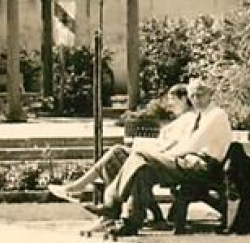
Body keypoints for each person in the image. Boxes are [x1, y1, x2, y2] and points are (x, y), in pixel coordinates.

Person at [87, 78, 233, 237]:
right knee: (142, 170)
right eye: (193, 96)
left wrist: (160, 156)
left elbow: (192, 146)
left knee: (140, 156)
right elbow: (182, 144)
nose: (196, 99)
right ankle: (130, 223)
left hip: (202, 166)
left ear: (210, 94)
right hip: (186, 162)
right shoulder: (200, 116)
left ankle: (111, 204)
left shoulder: (216, 115)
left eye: (200, 95)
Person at [47, 84, 195, 203]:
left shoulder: (188, 119)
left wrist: (151, 146)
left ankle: (79, 190)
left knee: (116, 154)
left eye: (173, 100)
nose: (169, 104)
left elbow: (175, 144)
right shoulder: (183, 119)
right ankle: (84, 193)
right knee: (113, 163)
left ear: (183, 99)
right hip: (154, 156)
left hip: (159, 160)